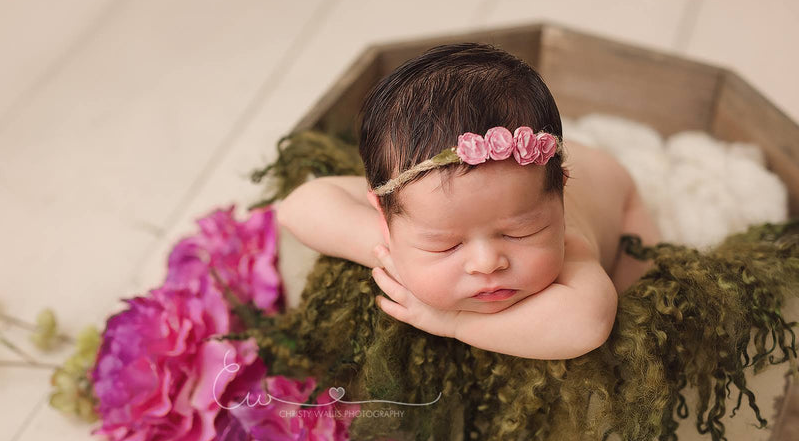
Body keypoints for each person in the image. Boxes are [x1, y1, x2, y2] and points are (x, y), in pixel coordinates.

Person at [275, 42, 662, 360]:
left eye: (520, 233)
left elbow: (588, 325)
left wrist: (453, 323)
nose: (487, 263)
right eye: (445, 243)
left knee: (640, 292)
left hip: (616, 191)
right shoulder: (415, 186)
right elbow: (299, 207)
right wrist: (393, 254)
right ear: (384, 215)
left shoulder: (569, 242)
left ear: (559, 197)